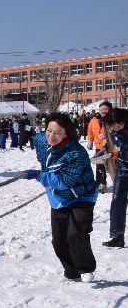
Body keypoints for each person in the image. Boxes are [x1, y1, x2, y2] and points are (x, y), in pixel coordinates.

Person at [23, 112, 98, 282]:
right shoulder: (43, 140)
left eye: (57, 132)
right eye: (49, 131)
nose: (52, 136)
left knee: (76, 233)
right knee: (58, 240)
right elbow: (36, 135)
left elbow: (65, 181)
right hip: (59, 198)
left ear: (67, 133)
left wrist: (38, 174)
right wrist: (26, 131)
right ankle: (71, 271)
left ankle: (85, 269)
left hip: (82, 196)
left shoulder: (76, 153)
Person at [102, 107, 127, 248]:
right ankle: (117, 236)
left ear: (121, 122)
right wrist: (110, 155)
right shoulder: (115, 132)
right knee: (117, 201)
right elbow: (118, 150)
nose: (111, 128)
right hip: (123, 169)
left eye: (112, 124)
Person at [87, 101, 113, 193]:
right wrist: (90, 141)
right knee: (99, 166)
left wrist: (110, 139)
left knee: (114, 166)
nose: (103, 111)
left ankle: (120, 183)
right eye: (101, 109)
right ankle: (101, 184)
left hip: (113, 148)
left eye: (106, 109)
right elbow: (90, 132)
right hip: (99, 148)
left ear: (110, 109)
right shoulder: (94, 121)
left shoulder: (114, 120)